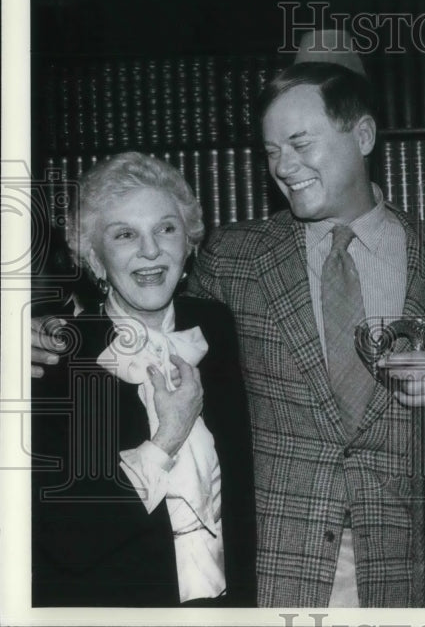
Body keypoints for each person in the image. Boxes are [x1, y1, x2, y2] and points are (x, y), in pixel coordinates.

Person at [182, 61, 425, 607]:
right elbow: (157, 345)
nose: (283, 166)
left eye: (300, 144)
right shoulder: (232, 258)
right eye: (271, 151)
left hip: (417, 573)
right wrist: (45, 334)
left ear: (362, 136)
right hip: (277, 573)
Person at [31, 152, 256, 607]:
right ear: (94, 258)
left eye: (166, 229)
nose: (150, 251)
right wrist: (167, 437)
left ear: (188, 243)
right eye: (125, 234)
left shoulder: (218, 329)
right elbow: (68, 538)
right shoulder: (52, 359)